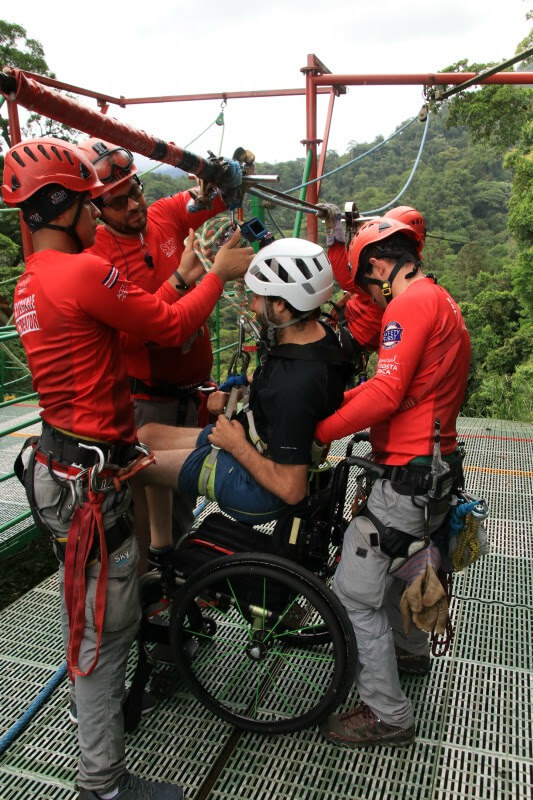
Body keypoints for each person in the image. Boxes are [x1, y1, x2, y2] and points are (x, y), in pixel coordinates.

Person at [2, 136, 253, 800]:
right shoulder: (83, 272)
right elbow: (169, 328)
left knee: (103, 617)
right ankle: (102, 786)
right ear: (61, 206)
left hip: (73, 465)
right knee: (101, 638)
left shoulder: (35, 282)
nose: (97, 211)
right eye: (88, 200)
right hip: (86, 483)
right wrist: (217, 275)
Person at [314, 216, 470, 748]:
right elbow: (397, 390)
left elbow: (385, 394)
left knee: (355, 595)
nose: (369, 297)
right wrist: (343, 404)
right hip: (436, 463)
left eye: (365, 285)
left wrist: (321, 430)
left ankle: (388, 714)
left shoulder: (408, 304)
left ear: (379, 267)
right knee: (406, 565)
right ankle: (408, 651)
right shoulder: (441, 300)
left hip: (409, 475)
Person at [76, 138, 239, 558]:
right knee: (146, 509)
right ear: (95, 207)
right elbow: (136, 333)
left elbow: (215, 199)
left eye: (136, 190)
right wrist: (184, 280)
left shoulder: (163, 214)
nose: (133, 204)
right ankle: (151, 585)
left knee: (182, 502)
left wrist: (223, 176)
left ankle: (171, 577)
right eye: (118, 201)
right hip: (149, 400)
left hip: (192, 391)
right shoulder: (98, 254)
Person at [134, 237, 353, 529]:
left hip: (257, 483)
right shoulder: (317, 335)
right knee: (144, 434)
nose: (251, 305)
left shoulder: (295, 387)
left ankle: (145, 560)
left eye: (258, 296)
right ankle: (163, 550)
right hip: (251, 437)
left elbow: (291, 489)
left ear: (281, 305)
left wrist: (235, 445)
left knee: (132, 466)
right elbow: (269, 380)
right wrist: (238, 392)